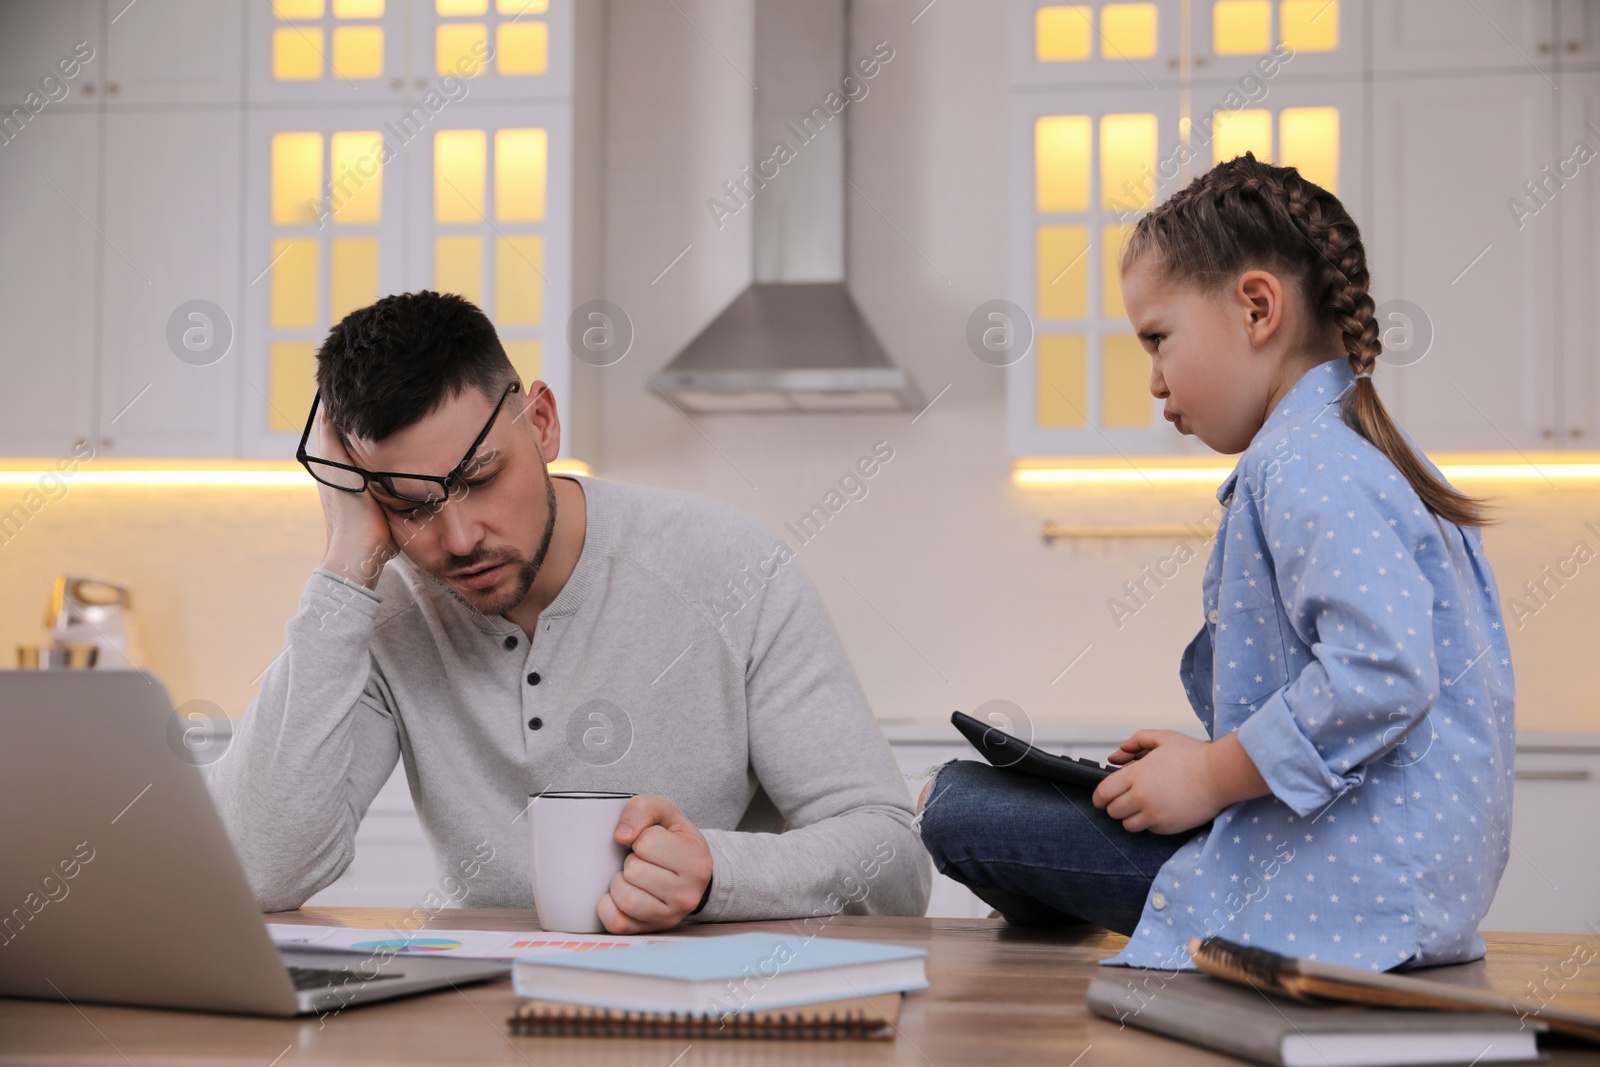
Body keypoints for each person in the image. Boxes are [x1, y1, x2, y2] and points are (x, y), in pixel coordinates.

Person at [918, 154, 1514, 973]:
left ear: (1257, 307)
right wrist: (1211, 754)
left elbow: (1381, 674)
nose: (1156, 383)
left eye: (1158, 339)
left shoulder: (1304, 463)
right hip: (1398, 885)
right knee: (1023, 803)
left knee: (951, 803)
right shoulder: (1359, 453)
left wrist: (1208, 773)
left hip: (1348, 896)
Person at [210, 291, 929, 931]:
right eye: (411, 504)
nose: (460, 538)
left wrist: (718, 871)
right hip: (488, 1018)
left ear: (543, 423)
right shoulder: (381, 613)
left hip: (718, 1010)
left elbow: (893, 860)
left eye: (481, 477)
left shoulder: (732, 566)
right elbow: (255, 872)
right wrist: (346, 566)